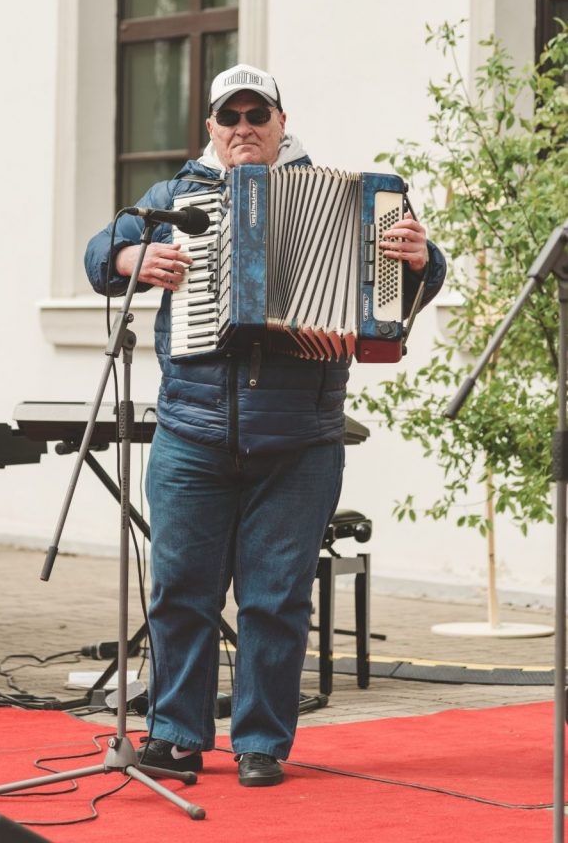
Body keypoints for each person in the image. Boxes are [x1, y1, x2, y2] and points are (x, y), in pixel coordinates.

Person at [84, 63, 446, 787]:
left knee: (277, 596)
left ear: (282, 122)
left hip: (302, 436)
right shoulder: (173, 198)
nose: (244, 128)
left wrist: (423, 260)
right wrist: (132, 255)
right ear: (211, 129)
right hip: (191, 428)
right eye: (230, 118)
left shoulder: (355, 199)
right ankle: (177, 735)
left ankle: (260, 742)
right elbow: (101, 255)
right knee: (181, 587)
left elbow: (411, 284)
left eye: (258, 115)